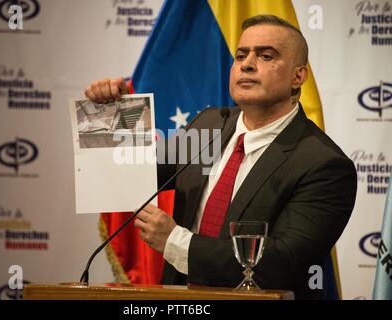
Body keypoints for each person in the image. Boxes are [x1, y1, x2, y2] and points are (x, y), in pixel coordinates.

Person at [84, 15, 357, 299]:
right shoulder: (210, 125)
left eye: (265, 55)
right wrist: (110, 115)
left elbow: (282, 264)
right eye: (241, 55)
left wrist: (177, 242)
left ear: (298, 76)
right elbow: (121, 179)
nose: (247, 63)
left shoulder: (324, 165)